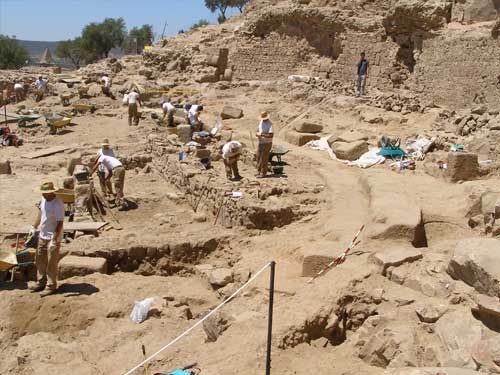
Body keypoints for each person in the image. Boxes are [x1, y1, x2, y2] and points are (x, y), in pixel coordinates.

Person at [30, 181, 64, 297]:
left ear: (51, 192)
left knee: (51, 263)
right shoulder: (44, 199)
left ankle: (51, 286)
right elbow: (40, 213)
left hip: (53, 236)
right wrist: (34, 227)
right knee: (40, 260)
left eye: (45, 193)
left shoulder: (58, 204)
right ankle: (41, 282)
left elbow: (59, 223)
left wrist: (54, 240)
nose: (43, 195)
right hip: (42, 234)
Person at [255, 112, 273, 178]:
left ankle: (263, 173)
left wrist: (262, 134)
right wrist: (257, 133)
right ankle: (259, 171)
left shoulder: (270, 124)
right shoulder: (261, 122)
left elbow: (271, 135)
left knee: (264, 158)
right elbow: (258, 129)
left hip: (267, 143)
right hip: (261, 142)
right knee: (258, 157)